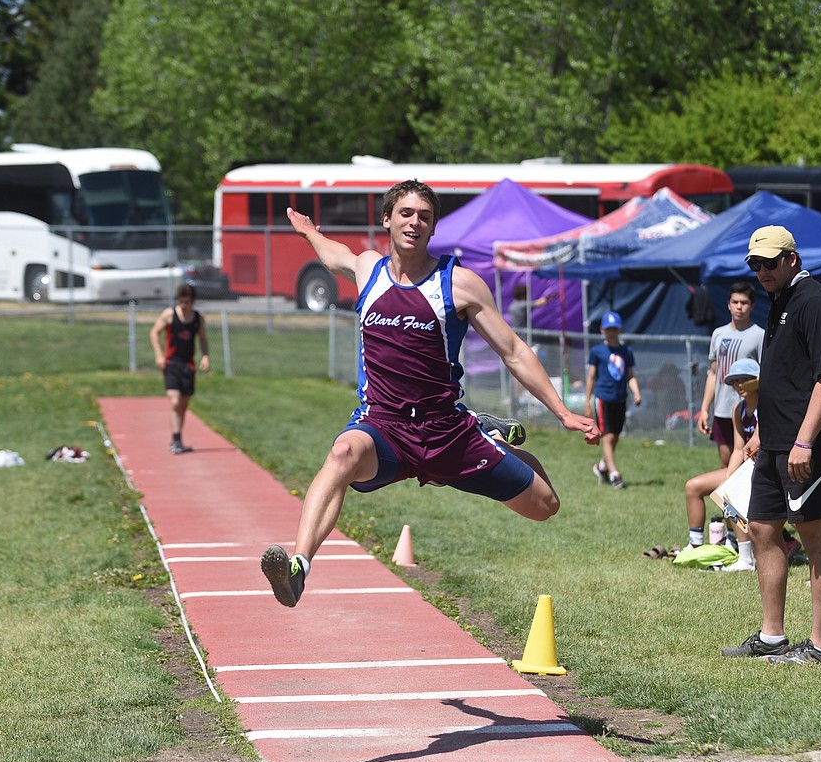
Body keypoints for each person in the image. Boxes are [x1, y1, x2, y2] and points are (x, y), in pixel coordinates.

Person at [261, 180, 600, 608]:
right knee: (343, 453)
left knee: (545, 505)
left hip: (446, 433)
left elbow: (513, 351)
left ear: (433, 227)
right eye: (405, 213)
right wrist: (309, 232)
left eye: (424, 216)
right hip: (383, 426)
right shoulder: (368, 269)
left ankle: (485, 434)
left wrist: (562, 414)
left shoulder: (459, 284)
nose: (414, 222)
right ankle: (299, 569)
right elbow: (334, 255)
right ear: (387, 220)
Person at [721, 226, 821, 665]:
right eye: (754, 264)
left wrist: (803, 441)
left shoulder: (815, 303)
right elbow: (784, 379)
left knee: (816, 537)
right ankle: (772, 636)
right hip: (777, 442)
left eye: (769, 263)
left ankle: (820, 647)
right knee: (761, 528)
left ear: (792, 258)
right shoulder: (780, 302)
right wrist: (763, 431)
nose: (761, 272)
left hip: (807, 447)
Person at [683, 358, 760, 569]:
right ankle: (695, 544)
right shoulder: (738, 409)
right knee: (694, 486)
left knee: (731, 496)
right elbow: (738, 448)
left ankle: (745, 558)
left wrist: (731, 487)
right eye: (735, 381)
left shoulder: (768, 405)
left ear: (758, 380)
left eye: (745, 379)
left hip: (766, 469)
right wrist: (729, 479)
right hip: (747, 467)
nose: (739, 385)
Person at [698, 281, 763, 468]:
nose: (739, 306)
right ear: (728, 304)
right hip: (723, 409)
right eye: (735, 302)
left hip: (750, 411)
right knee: (727, 464)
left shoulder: (759, 335)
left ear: (752, 306)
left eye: (744, 302)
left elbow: (764, 376)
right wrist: (704, 408)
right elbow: (713, 373)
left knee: (750, 463)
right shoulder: (718, 334)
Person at [149, 282, 210, 454]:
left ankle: (177, 439)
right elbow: (154, 332)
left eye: (187, 302)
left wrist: (205, 356)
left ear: (193, 301)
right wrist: (159, 355)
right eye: (181, 301)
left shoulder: (198, 318)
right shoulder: (169, 315)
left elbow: (203, 338)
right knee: (174, 400)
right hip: (172, 362)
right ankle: (176, 441)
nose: (184, 305)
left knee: (183, 403)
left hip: (188, 364)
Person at [585, 311, 642, 489]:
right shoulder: (597, 351)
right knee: (608, 437)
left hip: (620, 398)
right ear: (602, 330)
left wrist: (636, 392)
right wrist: (587, 401)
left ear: (620, 330)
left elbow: (630, 376)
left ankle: (602, 467)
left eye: (615, 329)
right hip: (604, 398)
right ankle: (614, 474)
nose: (611, 332)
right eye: (608, 329)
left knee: (615, 436)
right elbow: (591, 377)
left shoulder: (626, 351)